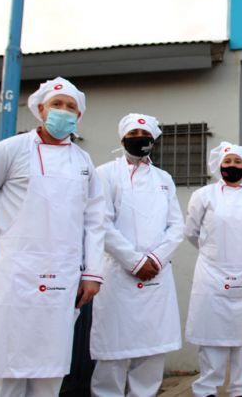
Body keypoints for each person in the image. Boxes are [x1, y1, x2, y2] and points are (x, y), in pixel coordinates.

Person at [0, 77, 105, 397]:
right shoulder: (10, 149)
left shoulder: (83, 161)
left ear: (79, 117)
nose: (64, 112)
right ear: (41, 109)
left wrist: (93, 273)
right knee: (5, 362)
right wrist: (8, 231)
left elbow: (95, 219)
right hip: (15, 272)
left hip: (63, 273)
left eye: (71, 108)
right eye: (57, 105)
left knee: (49, 366)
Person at [89, 113, 184, 397]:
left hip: (157, 274)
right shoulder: (104, 173)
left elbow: (177, 225)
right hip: (118, 274)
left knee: (153, 351)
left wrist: (155, 259)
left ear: (153, 141)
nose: (140, 138)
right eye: (133, 133)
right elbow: (100, 223)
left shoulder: (164, 178)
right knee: (112, 351)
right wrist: (134, 260)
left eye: (145, 133)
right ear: (122, 139)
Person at [185, 142, 242, 397]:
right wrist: (214, 255)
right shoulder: (204, 195)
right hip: (211, 273)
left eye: (237, 162)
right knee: (212, 333)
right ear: (218, 165)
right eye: (227, 162)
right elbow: (191, 232)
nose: (232, 166)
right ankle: (207, 388)